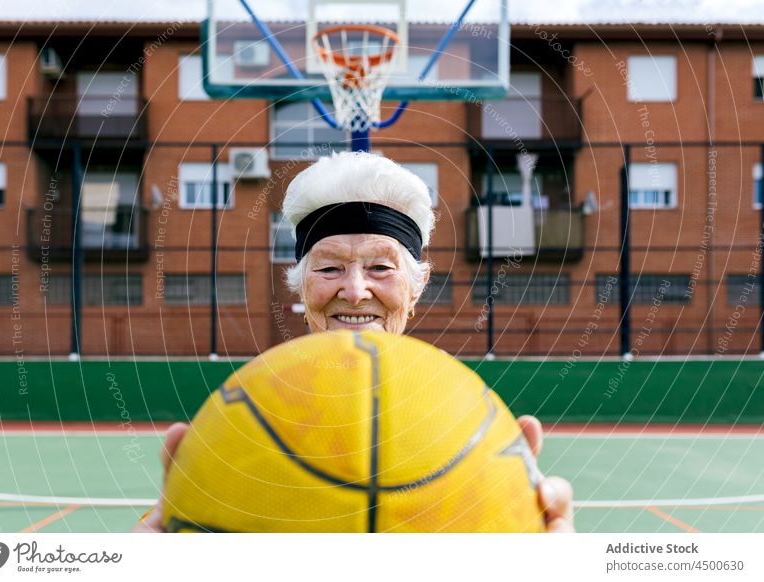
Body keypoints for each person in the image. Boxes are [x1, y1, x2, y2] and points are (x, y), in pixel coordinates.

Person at [136, 151, 574, 533]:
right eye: (329, 269)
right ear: (301, 287)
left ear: (415, 287)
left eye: (381, 267)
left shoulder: (467, 420)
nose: (355, 290)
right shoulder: (241, 418)